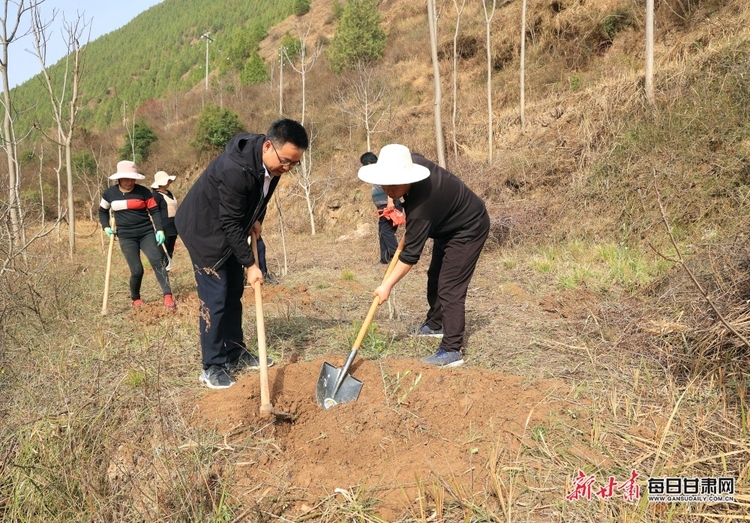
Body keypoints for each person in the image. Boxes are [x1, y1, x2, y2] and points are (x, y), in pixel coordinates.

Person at [175, 119, 308, 389]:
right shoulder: (235, 169)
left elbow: (262, 197)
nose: (288, 168)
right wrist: (250, 264)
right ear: (268, 146)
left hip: (229, 228)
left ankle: (235, 351)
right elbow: (230, 223)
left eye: (295, 164)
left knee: (233, 291)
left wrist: (256, 218)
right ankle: (212, 365)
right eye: (285, 161)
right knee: (216, 297)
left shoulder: (273, 165)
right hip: (204, 231)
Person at [359, 144, 490, 367]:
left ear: (407, 176)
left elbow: (410, 256)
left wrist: (387, 285)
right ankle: (436, 323)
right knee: (435, 276)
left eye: (394, 183)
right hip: (446, 222)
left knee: (450, 286)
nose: (388, 189)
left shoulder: (422, 208)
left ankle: (452, 349)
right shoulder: (412, 162)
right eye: (385, 182)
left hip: (469, 226)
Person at [98, 160, 175, 309]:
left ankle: (167, 295)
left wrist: (159, 229)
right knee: (137, 270)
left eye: (132, 178)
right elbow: (102, 211)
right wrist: (106, 227)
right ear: (119, 178)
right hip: (126, 237)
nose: (130, 182)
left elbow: (154, 211)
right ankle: (135, 298)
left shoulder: (144, 192)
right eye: (127, 179)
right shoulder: (110, 193)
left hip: (146, 232)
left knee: (158, 262)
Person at [361, 151, 404, 264]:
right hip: (383, 207)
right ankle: (385, 259)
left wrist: (390, 201)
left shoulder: (382, 170)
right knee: (382, 232)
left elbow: (391, 185)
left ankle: (398, 258)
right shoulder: (376, 173)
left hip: (390, 205)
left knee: (386, 231)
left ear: (369, 164)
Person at [151, 170, 179, 267]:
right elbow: (154, 211)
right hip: (163, 227)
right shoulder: (156, 195)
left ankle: (168, 268)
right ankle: (162, 271)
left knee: (170, 250)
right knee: (163, 251)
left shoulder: (169, 193)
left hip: (173, 227)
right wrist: (158, 229)